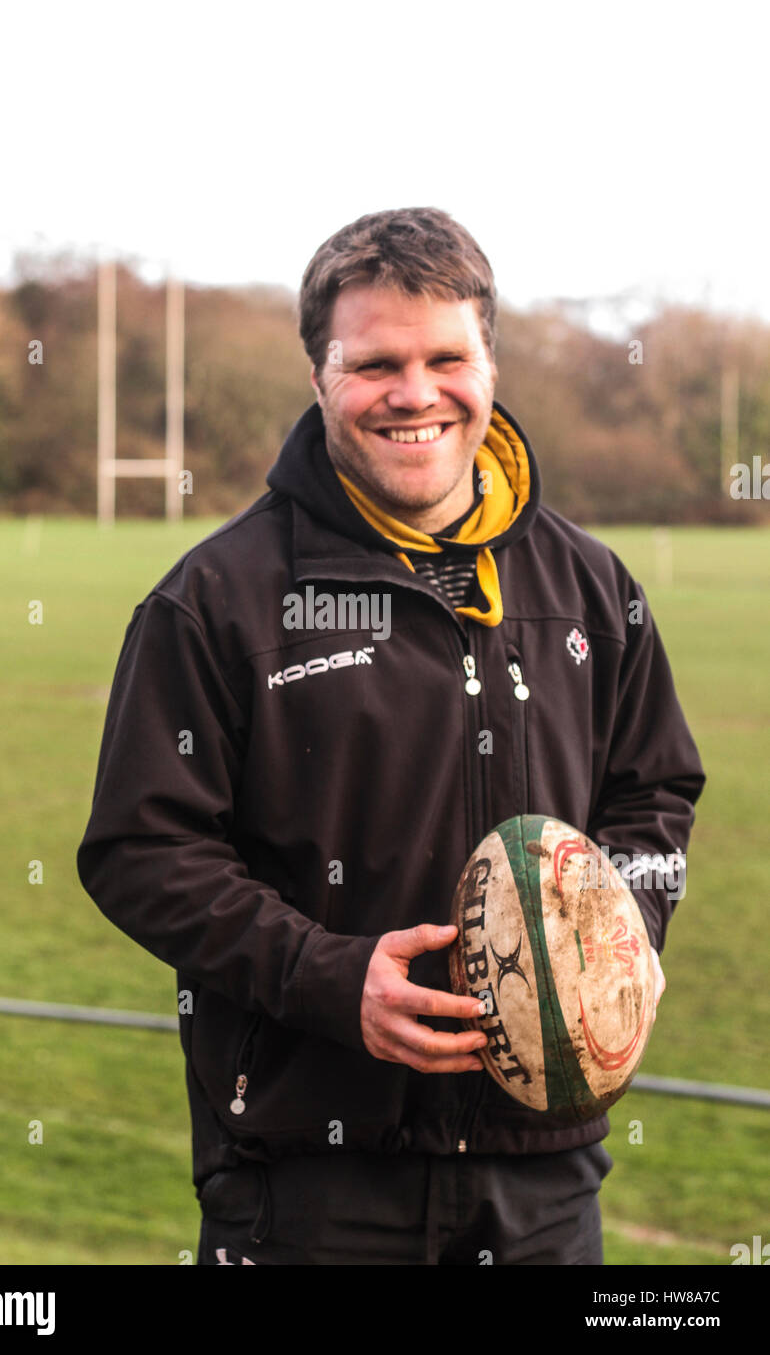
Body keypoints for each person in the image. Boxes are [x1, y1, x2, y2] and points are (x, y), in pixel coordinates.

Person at [77, 207, 705, 1266]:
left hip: (542, 1179)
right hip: (313, 1185)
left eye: (444, 357)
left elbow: (655, 799)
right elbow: (141, 851)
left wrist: (616, 927)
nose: (414, 394)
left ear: (489, 362)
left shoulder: (591, 591)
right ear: (318, 375)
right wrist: (327, 977)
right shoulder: (216, 602)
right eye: (374, 363)